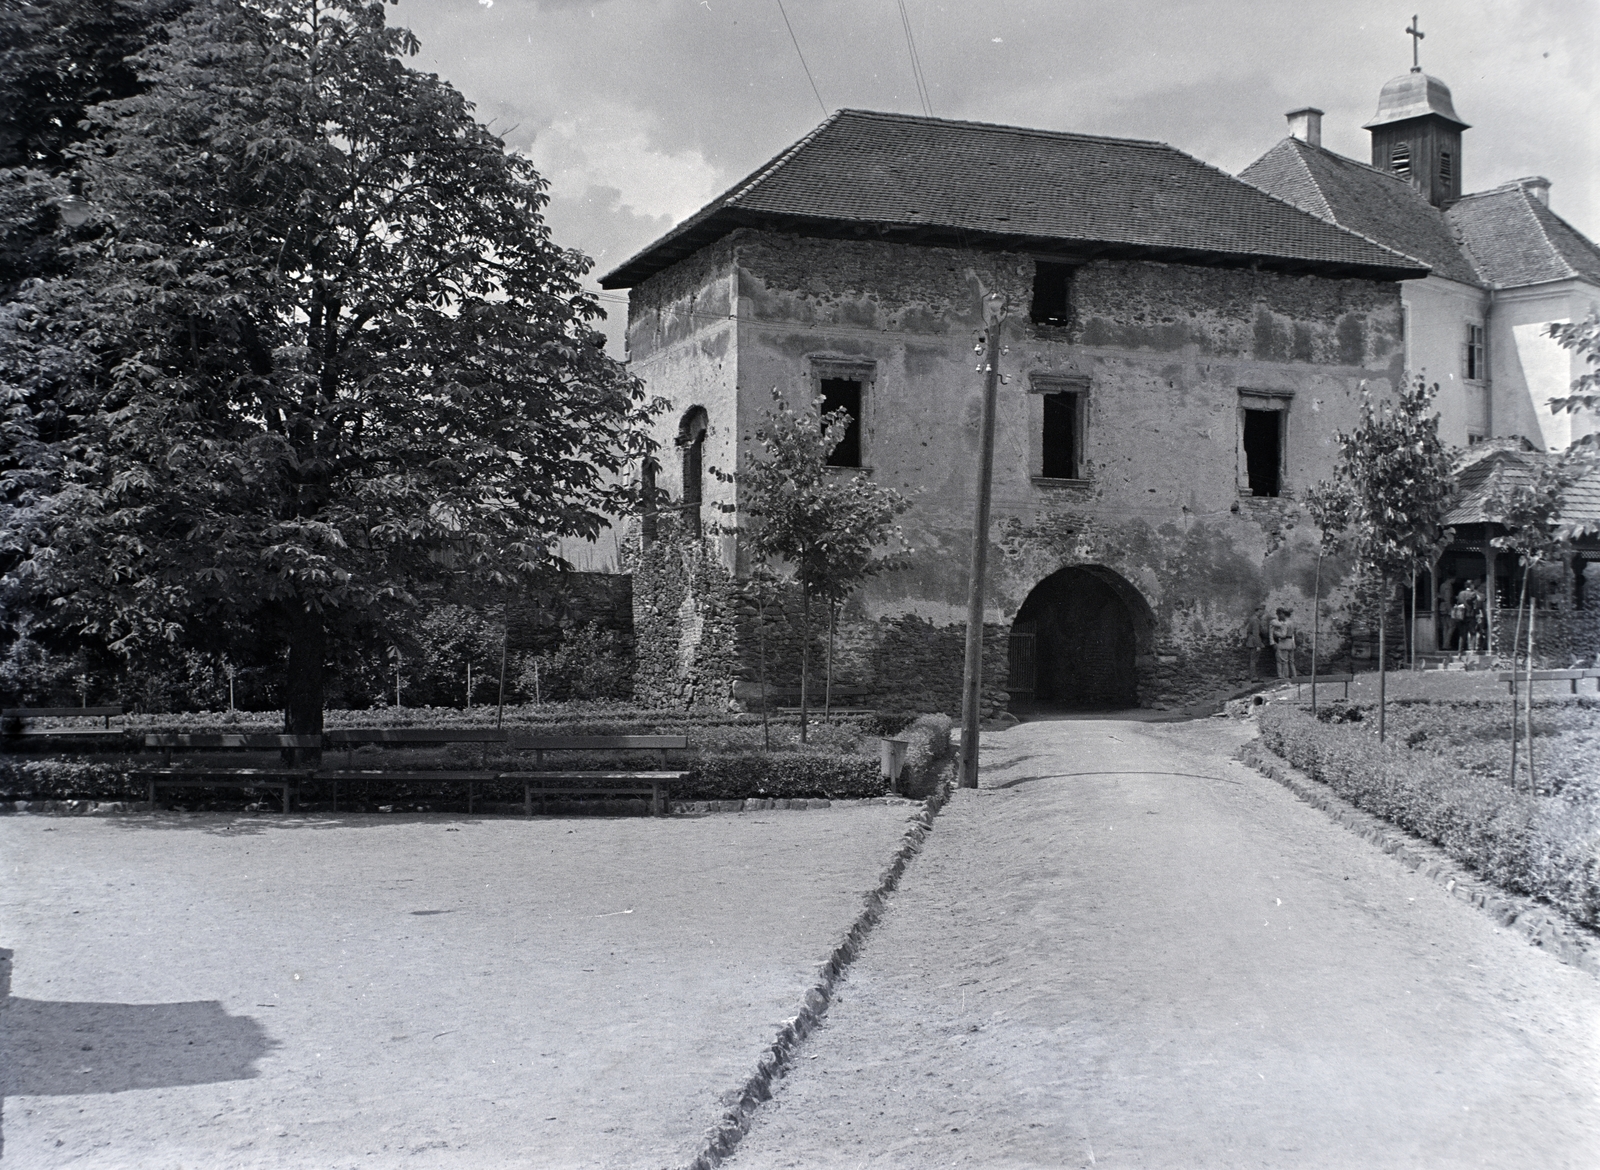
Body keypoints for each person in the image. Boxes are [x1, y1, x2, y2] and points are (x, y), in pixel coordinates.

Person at [1456, 580, 1484, 653]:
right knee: (1473, 632)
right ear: (1471, 585)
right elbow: (1476, 604)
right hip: (1470, 615)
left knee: (1462, 634)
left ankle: (1460, 650)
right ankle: (1472, 649)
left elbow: (1459, 602)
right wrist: (1478, 615)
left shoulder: (1460, 593)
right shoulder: (1473, 594)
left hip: (1461, 615)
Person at [1270, 607, 1297, 679]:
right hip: (1291, 642)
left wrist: (1276, 633)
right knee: (1292, 661)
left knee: (1284, 661)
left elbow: (1283, 635)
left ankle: (1286, 677)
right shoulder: (1292, 622)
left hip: (1285, 643)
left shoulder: (1285, 624)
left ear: (1283, 614)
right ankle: (1295, 676)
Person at [1242, 605, 1267, 679]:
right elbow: (1256, 634)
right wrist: (1258, 645)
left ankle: (1253, 675)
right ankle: (1253, 676)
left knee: (1253, 659)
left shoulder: (1252, 618)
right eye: (1262, 610)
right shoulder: (1256, 620)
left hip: (1251, 640)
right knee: (1253, 660)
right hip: (1254, 642)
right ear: (1258, 610)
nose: (1263, 612)